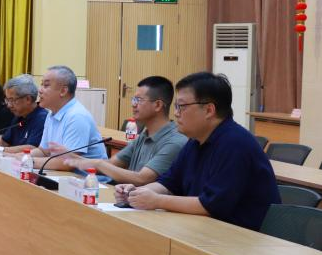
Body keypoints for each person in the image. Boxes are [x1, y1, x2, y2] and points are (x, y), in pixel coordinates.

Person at [120, 72, 280, 230]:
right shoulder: (195, 141)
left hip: (243, 237)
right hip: (208, 228)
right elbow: (169, 183)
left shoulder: (236, 144)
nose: (176, 113)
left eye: (181, 106)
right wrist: (135, 193)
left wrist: (157, 201)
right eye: (176, 106)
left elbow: (210, 205)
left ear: (209, 110)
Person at [66, 76, 185, 186]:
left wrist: (96, 164)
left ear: (158, 105)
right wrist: (72, 159)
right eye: (134, 99)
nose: (133, 105)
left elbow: (142, 179)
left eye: (138, 100)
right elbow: (112, 164)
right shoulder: (145, 134)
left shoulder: (175, 141)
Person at [37, 65, 107, 167]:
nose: (40, 90)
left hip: (87, 176)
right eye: (41, 84)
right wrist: (21, 157)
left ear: (63, 91)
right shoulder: (51, 114)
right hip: (62, 174)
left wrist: (30, 162)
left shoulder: (77, 116)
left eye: (46, 85)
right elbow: (43, 151)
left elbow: (67, 164)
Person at [0, 74, 47, 152]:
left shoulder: (42, 118)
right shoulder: (19, 116)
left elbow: (32, 148)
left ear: (28, 99)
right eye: (7, 100)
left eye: (12, 100)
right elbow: (4, 142)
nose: (9, 105)